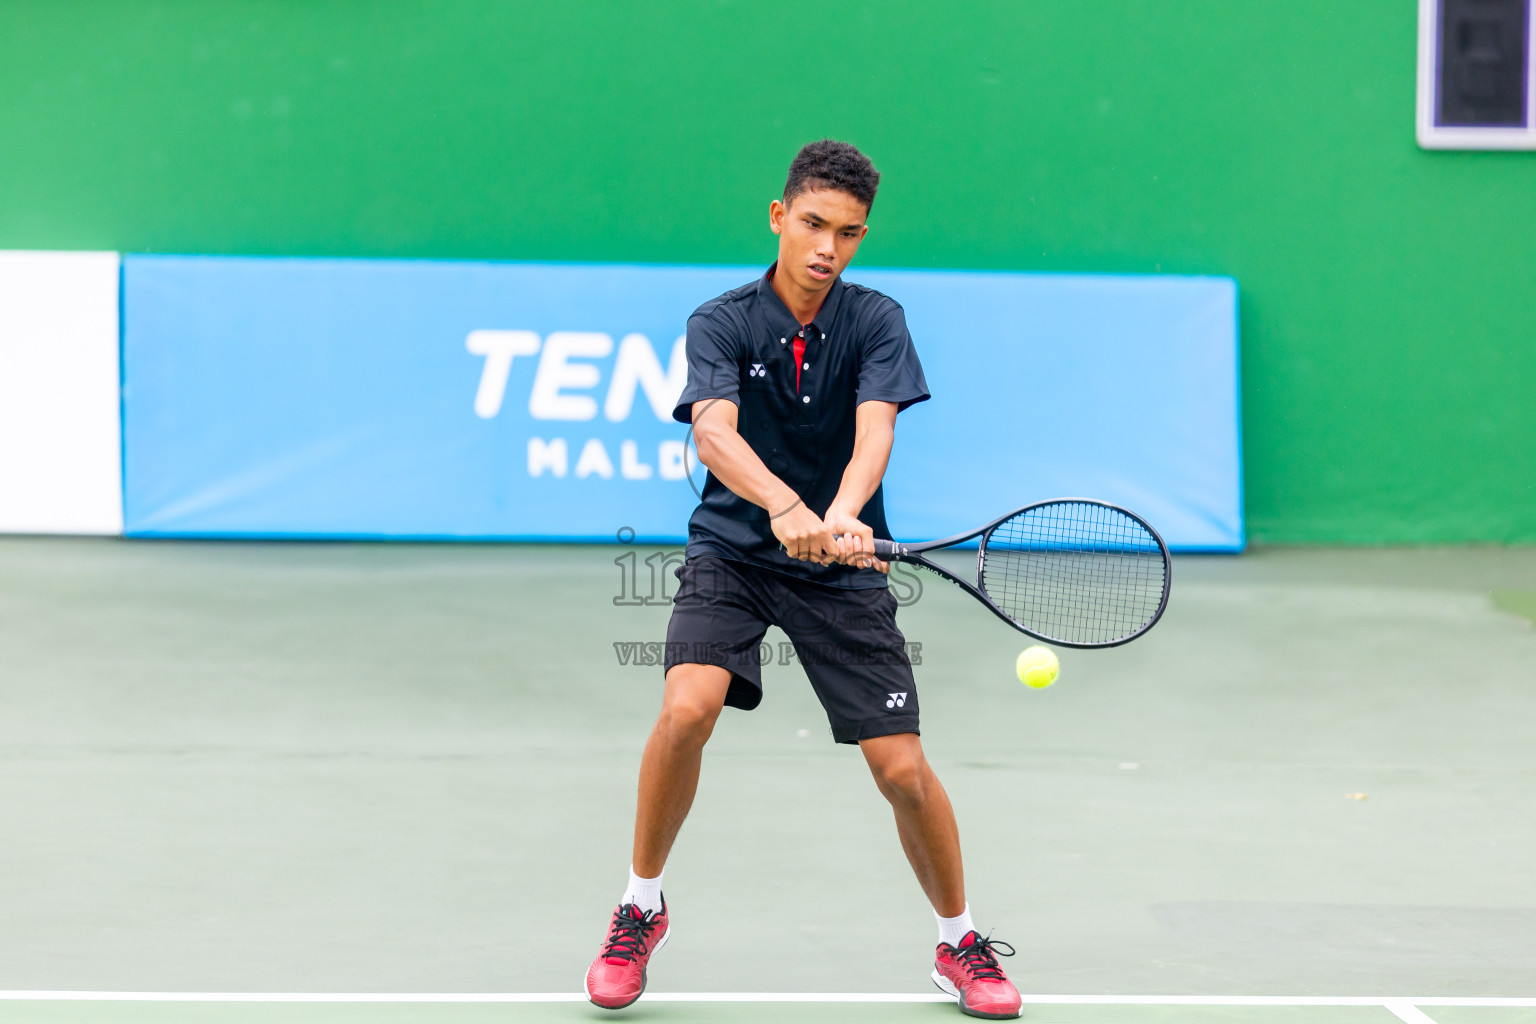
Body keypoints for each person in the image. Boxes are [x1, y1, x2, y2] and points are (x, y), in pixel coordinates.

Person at [584, 139, 1022, 1020]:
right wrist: (787, 506)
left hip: (841, 571)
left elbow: (874, 433)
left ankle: (959, 940)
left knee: (901, 770)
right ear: (780, 217)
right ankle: (640, 905)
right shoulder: (720, 322)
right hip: (734, 555)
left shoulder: (876, 320)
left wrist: (849, 513)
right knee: (686, 707)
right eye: (814, 225)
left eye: (849, 234)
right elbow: (713, 433)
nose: (828, 248)